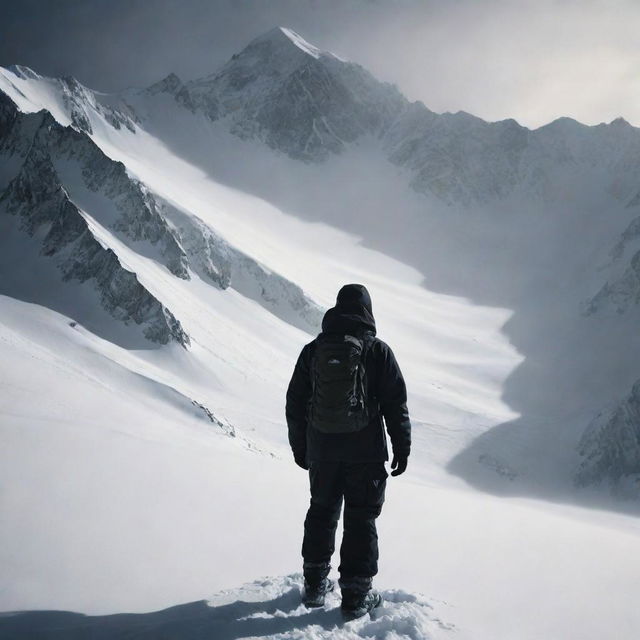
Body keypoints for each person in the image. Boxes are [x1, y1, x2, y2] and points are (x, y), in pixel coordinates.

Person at [285, 283, 411, 620]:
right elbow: (395, 404)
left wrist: (302, 448)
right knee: (361, 518)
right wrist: (401, 447)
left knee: (321, 511)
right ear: (367, 311)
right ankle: (355, 595)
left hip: (322, 450)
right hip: (366, 453)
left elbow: (295, 402)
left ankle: (314, 586)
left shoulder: (313, 351)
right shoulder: (377, 351)